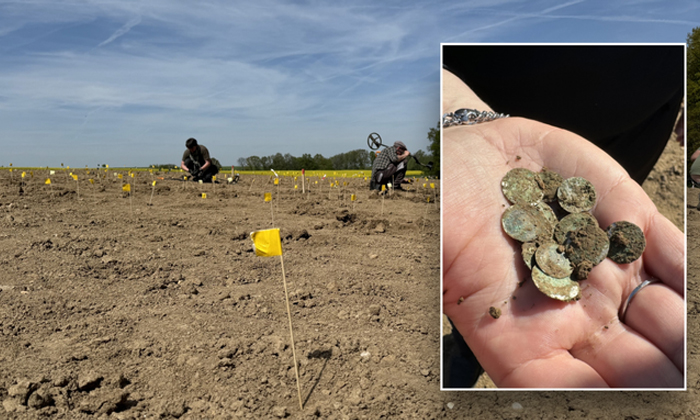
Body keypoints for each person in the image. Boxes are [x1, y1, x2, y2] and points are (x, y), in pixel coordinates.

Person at [442, 45, 684, 389]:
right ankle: (465, 355)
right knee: (483, 299)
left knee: (616, 253)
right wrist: (452, 110)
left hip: (636, 132)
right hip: (501, 128)